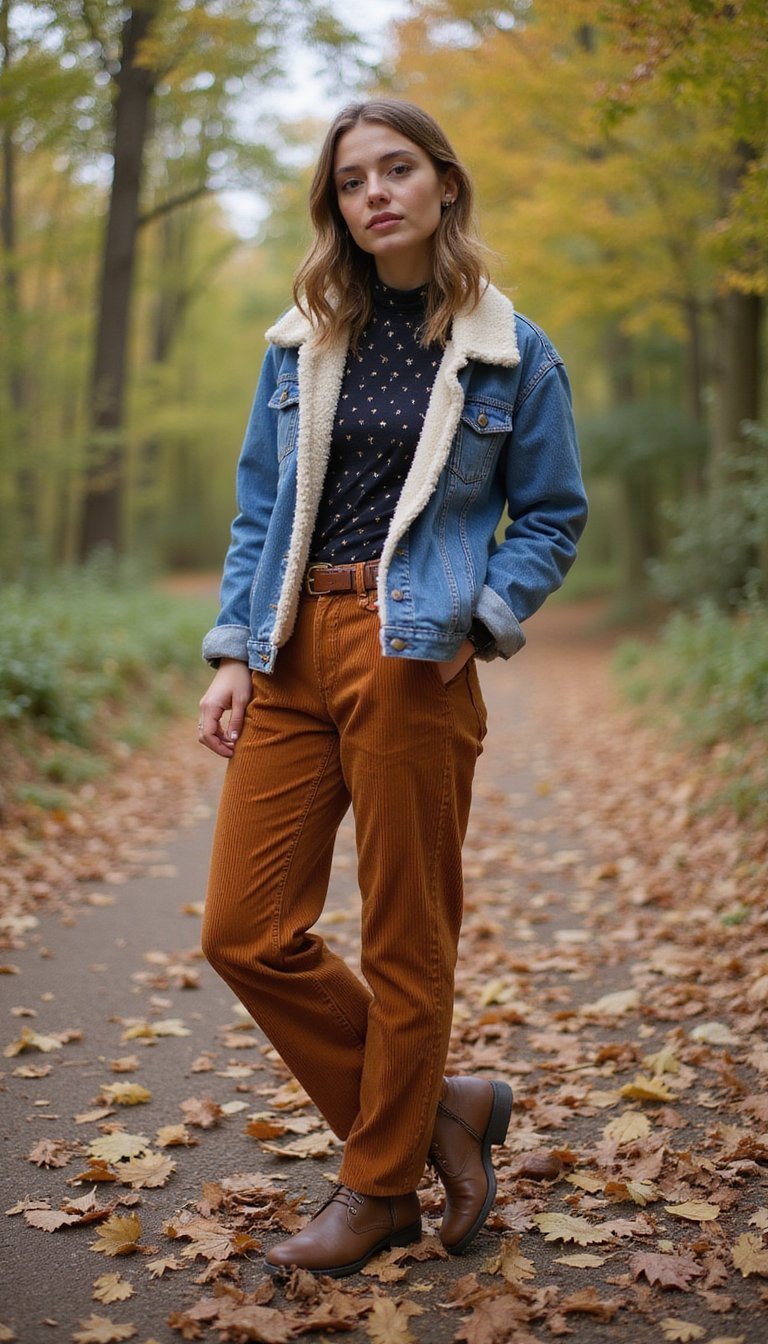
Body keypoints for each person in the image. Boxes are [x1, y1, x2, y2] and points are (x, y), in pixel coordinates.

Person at [198, 97, 587, 1278]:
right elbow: (261, 510)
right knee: (244, 931)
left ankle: (378, 1191)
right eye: (353, 178)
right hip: (293, 641)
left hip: (414, 649)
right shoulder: (297, 341)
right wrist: (230, 650)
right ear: (337, 206)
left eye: (398, 169)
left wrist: (483, 616)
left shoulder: (513, 350)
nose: (376, 192)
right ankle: (442, 1111)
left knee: (412, 940)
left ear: (443, 185)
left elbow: (553, 517)